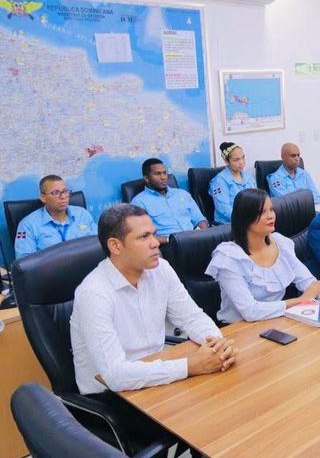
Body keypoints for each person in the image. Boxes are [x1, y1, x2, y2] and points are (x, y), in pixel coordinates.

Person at [70, 204, 235, 458]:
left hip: (158, 375)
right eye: (143, 237)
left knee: (229, 403)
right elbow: (115, 375)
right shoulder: (94, 293)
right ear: (115, 246)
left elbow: (191, 316)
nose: (156, 242)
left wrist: (217, 344)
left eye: (154, 234)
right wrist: (192, 365)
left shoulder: (160, 269)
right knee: (210, 422)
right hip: (113, 397)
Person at [206, 189, 320, 324]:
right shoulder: (229, 257)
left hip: (276, 322)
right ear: (245, 218)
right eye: (262, 212)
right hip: (239, 331)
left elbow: (310, 285)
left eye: (271, 209)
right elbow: (250, 311)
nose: (271, 216)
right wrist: (301, 300)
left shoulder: (280, 243)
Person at [15, 175, 97, 259]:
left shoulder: (82, 214)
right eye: (56, 193)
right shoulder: (28, 225)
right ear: (43, 198)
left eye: (65, 191)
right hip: (50, 270)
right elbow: (25, 262)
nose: (63, 197)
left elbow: (98, 242)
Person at [131, 158, 207, 244]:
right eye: (157, 174)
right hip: (167, 246)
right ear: (146, 178)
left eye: (164, 173)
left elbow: (200, 220)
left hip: (195, 240)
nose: (163, 177)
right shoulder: (139, 202)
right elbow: (143, 235)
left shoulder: (182, 194)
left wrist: (202, 235)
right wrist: (170, 241)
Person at [209, 142, 257, 224]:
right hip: (229, 224)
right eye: (236, 160)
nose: (241, 162)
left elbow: (257, 199)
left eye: (243, 157)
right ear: (226, 161)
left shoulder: (248, 177)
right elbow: (223, 209)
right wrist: (246, 220)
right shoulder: (219, 181)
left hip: (251, 221)